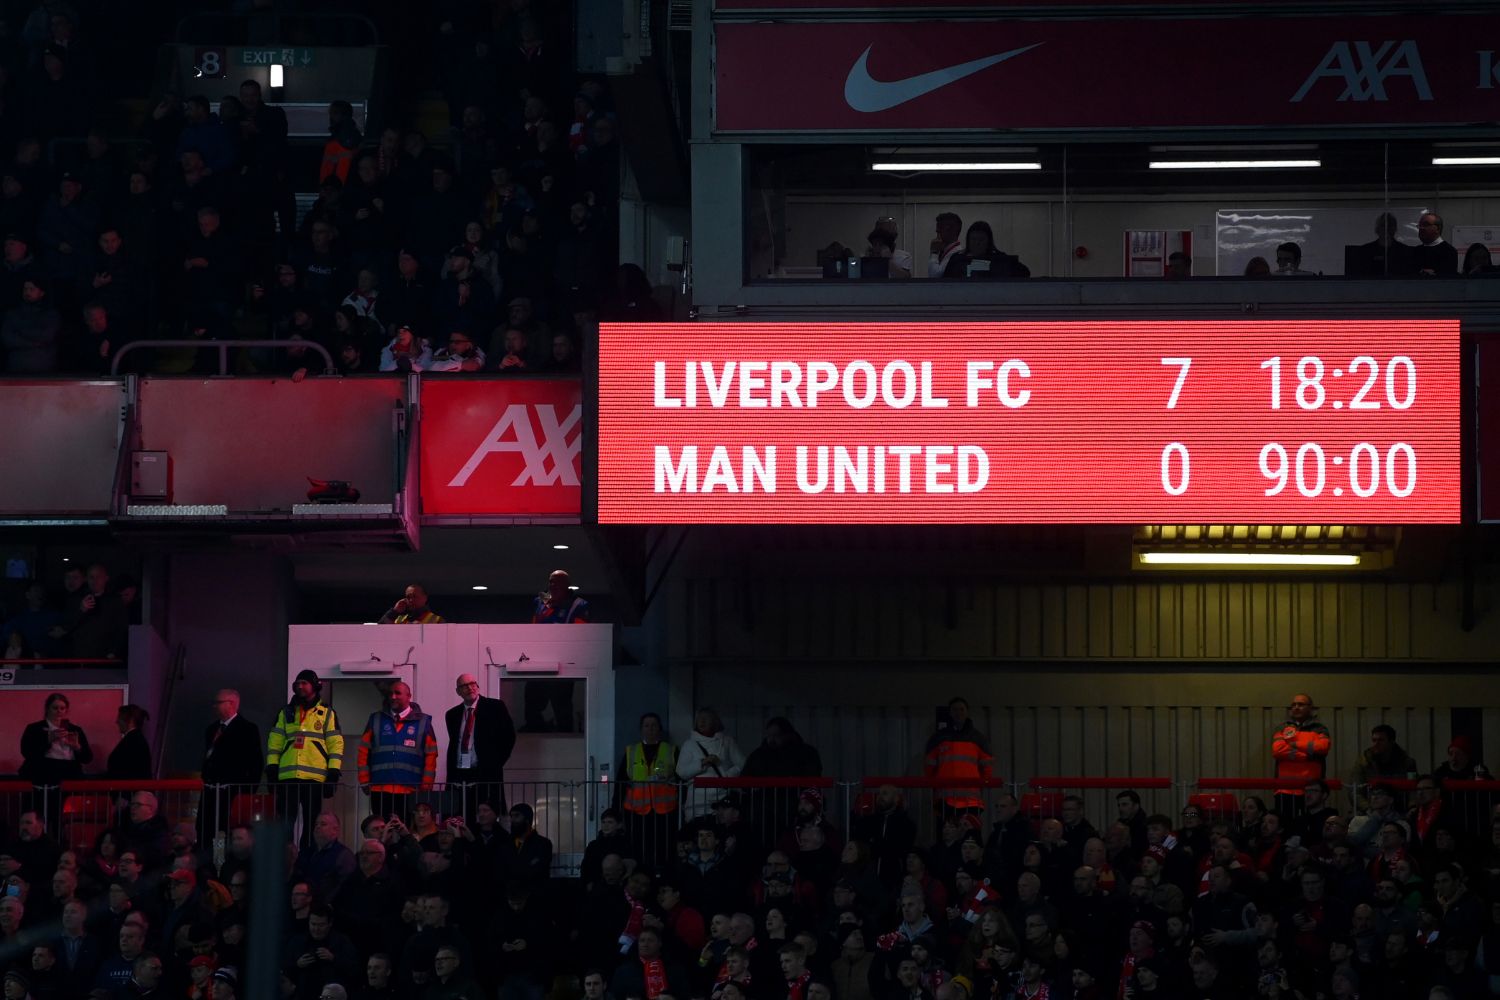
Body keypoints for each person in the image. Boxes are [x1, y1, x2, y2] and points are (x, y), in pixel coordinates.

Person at [267, 671, 345, 848]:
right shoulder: (286, 712)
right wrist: (272, 768)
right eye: (298, 683)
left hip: (314, 779)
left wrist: (333, 771)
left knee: (312, 823)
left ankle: (307, 858)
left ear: (315, 686)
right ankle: (284, 859)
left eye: (304, 683)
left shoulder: (326, 713)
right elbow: (275, 742)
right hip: (288, 777)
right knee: (285, 822)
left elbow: (335, 743)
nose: (300, 686)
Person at [357, 681, 437, 821]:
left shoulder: (423, 722)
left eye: (397, 693)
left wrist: (427, 786)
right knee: (382, 832)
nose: (393, 697)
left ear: (408, 696)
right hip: (380, 789)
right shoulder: (375, 719)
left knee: (406, 833)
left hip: (411, 789)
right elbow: (363, 751)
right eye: (390, 694)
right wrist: (364, 780)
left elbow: (431, 755)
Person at [444, 673, 516, 820]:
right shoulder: (452, 714)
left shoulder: (495, 707)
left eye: (472, 683)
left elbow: (509, 737)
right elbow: (455, 743)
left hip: (485, 772)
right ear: (458, 691)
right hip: (459, 774)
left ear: (477, 686)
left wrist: (496, 763)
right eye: (464, 686)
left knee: (486, 816)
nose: (470, 688)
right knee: (460, 815)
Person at [200, 689, 264, 842]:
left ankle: (222, 861)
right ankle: (209, 862)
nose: (215, 706)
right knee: (207, 831)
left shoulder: (247, 729)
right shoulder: (211, 729)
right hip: (210, 791)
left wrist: (247, 791)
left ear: (232, 704)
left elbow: (256, 762)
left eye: (219, 702)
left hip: (232, 793)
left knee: (226, 832)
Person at [620, 713, 678, 869]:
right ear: (641, 729)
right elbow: (621, 782)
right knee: (640, 850)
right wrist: (617, 810)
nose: (650, 729)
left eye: (654, 725)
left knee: (663, 849)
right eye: (646, 725)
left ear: (659, 728)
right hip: (637, 812)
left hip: (665, 811)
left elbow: (679, 779)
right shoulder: (631, 751)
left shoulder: (671, 750)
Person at [924, 698, 994, 818]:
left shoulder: (978, 738)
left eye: (961, 709)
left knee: (970, 836)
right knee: (947, 835)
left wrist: (982, 784)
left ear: (967, 712)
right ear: (950, 713)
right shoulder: (938, 738)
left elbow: (987, 767)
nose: (958, 712)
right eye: (955, 709)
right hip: (945, 800)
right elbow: (929, 767)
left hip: (971, 800)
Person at [676, 707, 746, 824]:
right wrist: (702, 763)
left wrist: (727, 777)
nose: (702, 721)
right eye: (699, 719)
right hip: (697, 802)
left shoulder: (727, 741)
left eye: (706, 718)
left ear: (715, 721)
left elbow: (742, 764)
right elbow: (681, 772)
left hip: (722, 800)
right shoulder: (689, 744)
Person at [19, 693, 93, 802]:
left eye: (62, 708)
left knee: (67, 811)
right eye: (55, 708)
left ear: (66, 710)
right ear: (47, 709)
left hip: (70, 774)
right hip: (43, 775)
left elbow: (88, 758)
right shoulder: (34, 728)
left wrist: (77, 747)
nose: (59, 711)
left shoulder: (75, 729)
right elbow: (27, 752)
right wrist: (49, 740)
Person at [1271, 693, 1330, 813]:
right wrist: (1306, 755)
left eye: (1301, 704)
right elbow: (1278, 750)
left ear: (1310, 708)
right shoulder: (1282, 728)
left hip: (1312, 790)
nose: (1296, 707)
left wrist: (1294, 744)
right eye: (1293, 705)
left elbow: (1323, 748)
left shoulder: (1320, 729)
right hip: (1285, 790)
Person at [942, 222, 1029, 279]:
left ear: (988, 241)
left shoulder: (1000, 260)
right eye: (973, 239)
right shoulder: (957, 260)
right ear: (968, 240)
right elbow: (946, 282)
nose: (977, 243)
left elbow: (1024, 272)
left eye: (981, 240)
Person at [1347, 212, 1414, 277]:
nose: (1386, 228)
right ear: (1377, 229)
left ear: (1395, 228)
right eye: (1383, 225)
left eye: (1390, 225)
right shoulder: (1364, 252)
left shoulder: (1406, 252)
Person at [105, 705, 150, 780]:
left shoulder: (134, 740)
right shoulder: (134, 739)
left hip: (128, 790)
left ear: (130, 720)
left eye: (120, 717)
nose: (117, 721)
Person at [1412, 211, 1458, 276]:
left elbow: (1449, 279)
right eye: (1420, 225)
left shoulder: (1449, 251)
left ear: (1438, 229)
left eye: (1426, 225)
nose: (1421, 228)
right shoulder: (1416, 251)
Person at [378, 585, 443, 624]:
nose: (411, 600)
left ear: (425, 598)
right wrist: (394, 611)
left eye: (414, 596)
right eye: (408, 597)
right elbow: (379, 631)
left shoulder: (437, 620)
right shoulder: (399, 619)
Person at [926, 213, 962, 278]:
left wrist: (934, 253)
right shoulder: (944, 251)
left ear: (952, 230)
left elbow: (935, 276)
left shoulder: (956, 254)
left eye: (940, 227)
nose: (937, 230)